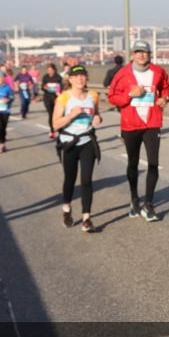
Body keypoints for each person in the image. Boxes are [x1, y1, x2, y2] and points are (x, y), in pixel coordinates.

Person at [107, 39, 169, 222]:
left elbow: (165, 89)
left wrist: (165, 99)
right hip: (131, 124)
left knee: (153, 163)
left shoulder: (158, 72)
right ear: (132, 55)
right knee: (133, 163)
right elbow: (112, 97)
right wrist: (130, 94)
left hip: (152, 123)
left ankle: (148, 204)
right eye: (138, 52)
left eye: (145, 52)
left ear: (150, 54)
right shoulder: (123, 74)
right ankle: (134, 199)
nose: (141, 55)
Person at [52, 64, 102, 233]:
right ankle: (66, 208)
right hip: (69, 143)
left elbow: (97, 114)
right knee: (70, 179)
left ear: (86, 77)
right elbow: (55, 124)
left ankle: (86, 218)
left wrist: (97, 119)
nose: (80, 78)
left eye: (82, 75)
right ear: (70, 79)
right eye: (76, 76)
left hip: (87, 141)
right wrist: (71, 115)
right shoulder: (64, 98)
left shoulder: (93, 96)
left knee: (86, 180)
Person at [41, 63, 64, 139]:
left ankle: (60, 130)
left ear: (54, 70)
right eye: (48, 70)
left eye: (51, 70)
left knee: (58, 114)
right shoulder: (45, 77)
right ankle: (52, 131)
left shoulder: (58, 77)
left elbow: (61, 87)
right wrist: (44, 87)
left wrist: (58, 90)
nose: (50, 71)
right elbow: (42, 87)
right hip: (47, 98)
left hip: (56, 98)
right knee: (50, 114)